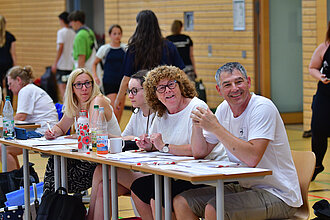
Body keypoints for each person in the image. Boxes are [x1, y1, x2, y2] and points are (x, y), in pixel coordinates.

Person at [172, 62, 302, 220]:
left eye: (239, 82)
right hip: (246, 187)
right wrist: (197, 123)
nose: (234, 88)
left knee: (215, 209)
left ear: (248, 82)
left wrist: (216, 128)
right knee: (182, 201)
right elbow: (199, 152)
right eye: (227, 84)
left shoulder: (262, 107)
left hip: (279, 195)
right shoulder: (223, 109)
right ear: (219, 90)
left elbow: (252, 158)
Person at [130, 65, 227, 220]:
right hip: (179, 173)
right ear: (154, 94)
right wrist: (149, 145)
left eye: (171, 84)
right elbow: (158, 143)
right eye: (161, 88)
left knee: (158, 195)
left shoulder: (196, 107)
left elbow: (198, 151)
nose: (167, 90)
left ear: (180, 85)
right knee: (138, 188)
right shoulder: (161, 113)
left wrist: (165, 147)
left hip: (206, 172)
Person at [87, 69, 154, 220]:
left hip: (151, 173)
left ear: (149, 89)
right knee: (104, 188)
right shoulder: (137, 114)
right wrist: (102, 134)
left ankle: (89, 216)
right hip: (138, 170)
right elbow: (124, 139)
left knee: (101, 170)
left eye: (135, 91)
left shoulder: (158, 114)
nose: (130, 96)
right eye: (129, 91)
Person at [43, 68, 121, 195]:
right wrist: (52, 132)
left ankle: (55, 206)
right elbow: (61, 128)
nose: (84, 88)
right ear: (72, 88)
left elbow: (92, 134)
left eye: (87, 83)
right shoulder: (76, 103)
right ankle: (51, 207)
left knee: (60, 180)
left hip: (106, 156)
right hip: (89, 155)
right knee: (54, 162)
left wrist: (77, 136)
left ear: (92, 84)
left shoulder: (97, 101)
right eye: (79, 84)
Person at [114, 10, 185, 122]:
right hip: (164, 95)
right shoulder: (168, 46)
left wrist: (118, 98)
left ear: (139, 26)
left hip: (144, 98)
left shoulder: (133, 48)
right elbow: (180, 73)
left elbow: (126, 78)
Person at [0, 65, 58, 171]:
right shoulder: (32, 88)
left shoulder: (26, 90)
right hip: (46, 130)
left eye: (10, 84)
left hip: (42, 133)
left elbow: (20, 117)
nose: (9, 88)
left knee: (3, 148)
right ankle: (17, 180)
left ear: (18, 80)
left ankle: (13, 184)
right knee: (5, 146)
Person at [308, 21, 330, 181]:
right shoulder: (324, 46)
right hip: (325, 95)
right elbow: (312, 67)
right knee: (318, 129)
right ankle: (316, 164)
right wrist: (321, 77)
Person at [92, 24, 126, 122]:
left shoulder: (125, 48)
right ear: (110, 35)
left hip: (122, 83)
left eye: (119, 33)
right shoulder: (104, 49)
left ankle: (117, 133)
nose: (117, 36)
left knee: (120, 111)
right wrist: (95, 76)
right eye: (114, 34)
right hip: (109, 81)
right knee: (114, 110)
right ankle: (113, 132)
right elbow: (94, 63)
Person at [51, 11, 75, 102]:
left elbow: (60, 48)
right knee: (70, 89)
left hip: (62, 65)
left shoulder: (61, 32)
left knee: (62, 89)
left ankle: (66, 109)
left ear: (61, 20)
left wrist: (55, 63)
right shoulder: (73, 33)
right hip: (71, 64)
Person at [0, 15, 16, 99]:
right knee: (9, 85)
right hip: (7, 63)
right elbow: (13, 53)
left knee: (0, 88)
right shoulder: (10, 36)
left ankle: (0, 104)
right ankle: (8, 105)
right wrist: (15, 67)